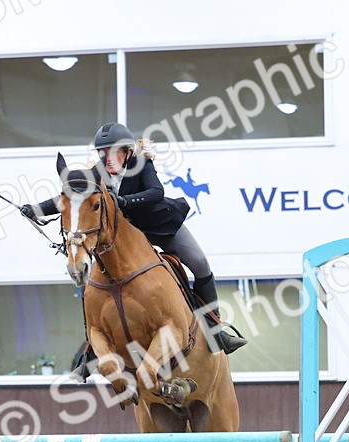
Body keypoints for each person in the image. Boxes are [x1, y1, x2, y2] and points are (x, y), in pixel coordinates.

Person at [22, 122, 247, 374]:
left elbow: (156, 193)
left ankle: (216, 331)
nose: (106, 159)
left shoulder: (142, 164)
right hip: (128, 239)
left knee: (200, 264)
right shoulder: (98, 173)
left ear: (128, 152)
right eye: (102, 153)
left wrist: (122, 201)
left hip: (160, 226)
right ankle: (89, 354)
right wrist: (35, 208)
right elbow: (73, 197)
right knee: (91, 283)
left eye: (112, 152)